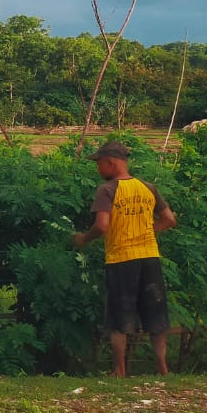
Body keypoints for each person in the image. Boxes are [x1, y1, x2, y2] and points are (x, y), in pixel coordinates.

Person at [72, 140, 176, 377]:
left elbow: (101, 226)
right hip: (150, 257)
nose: (98, 169)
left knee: (119, 316)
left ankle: (119, 370)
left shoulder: (107, 190)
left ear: (111, 163)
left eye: (99, 164)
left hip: (121, 259)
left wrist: (84, 239)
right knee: (156, 314)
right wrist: (149, 231)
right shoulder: (147, 187)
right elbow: (169, 219)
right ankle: (163, 368)